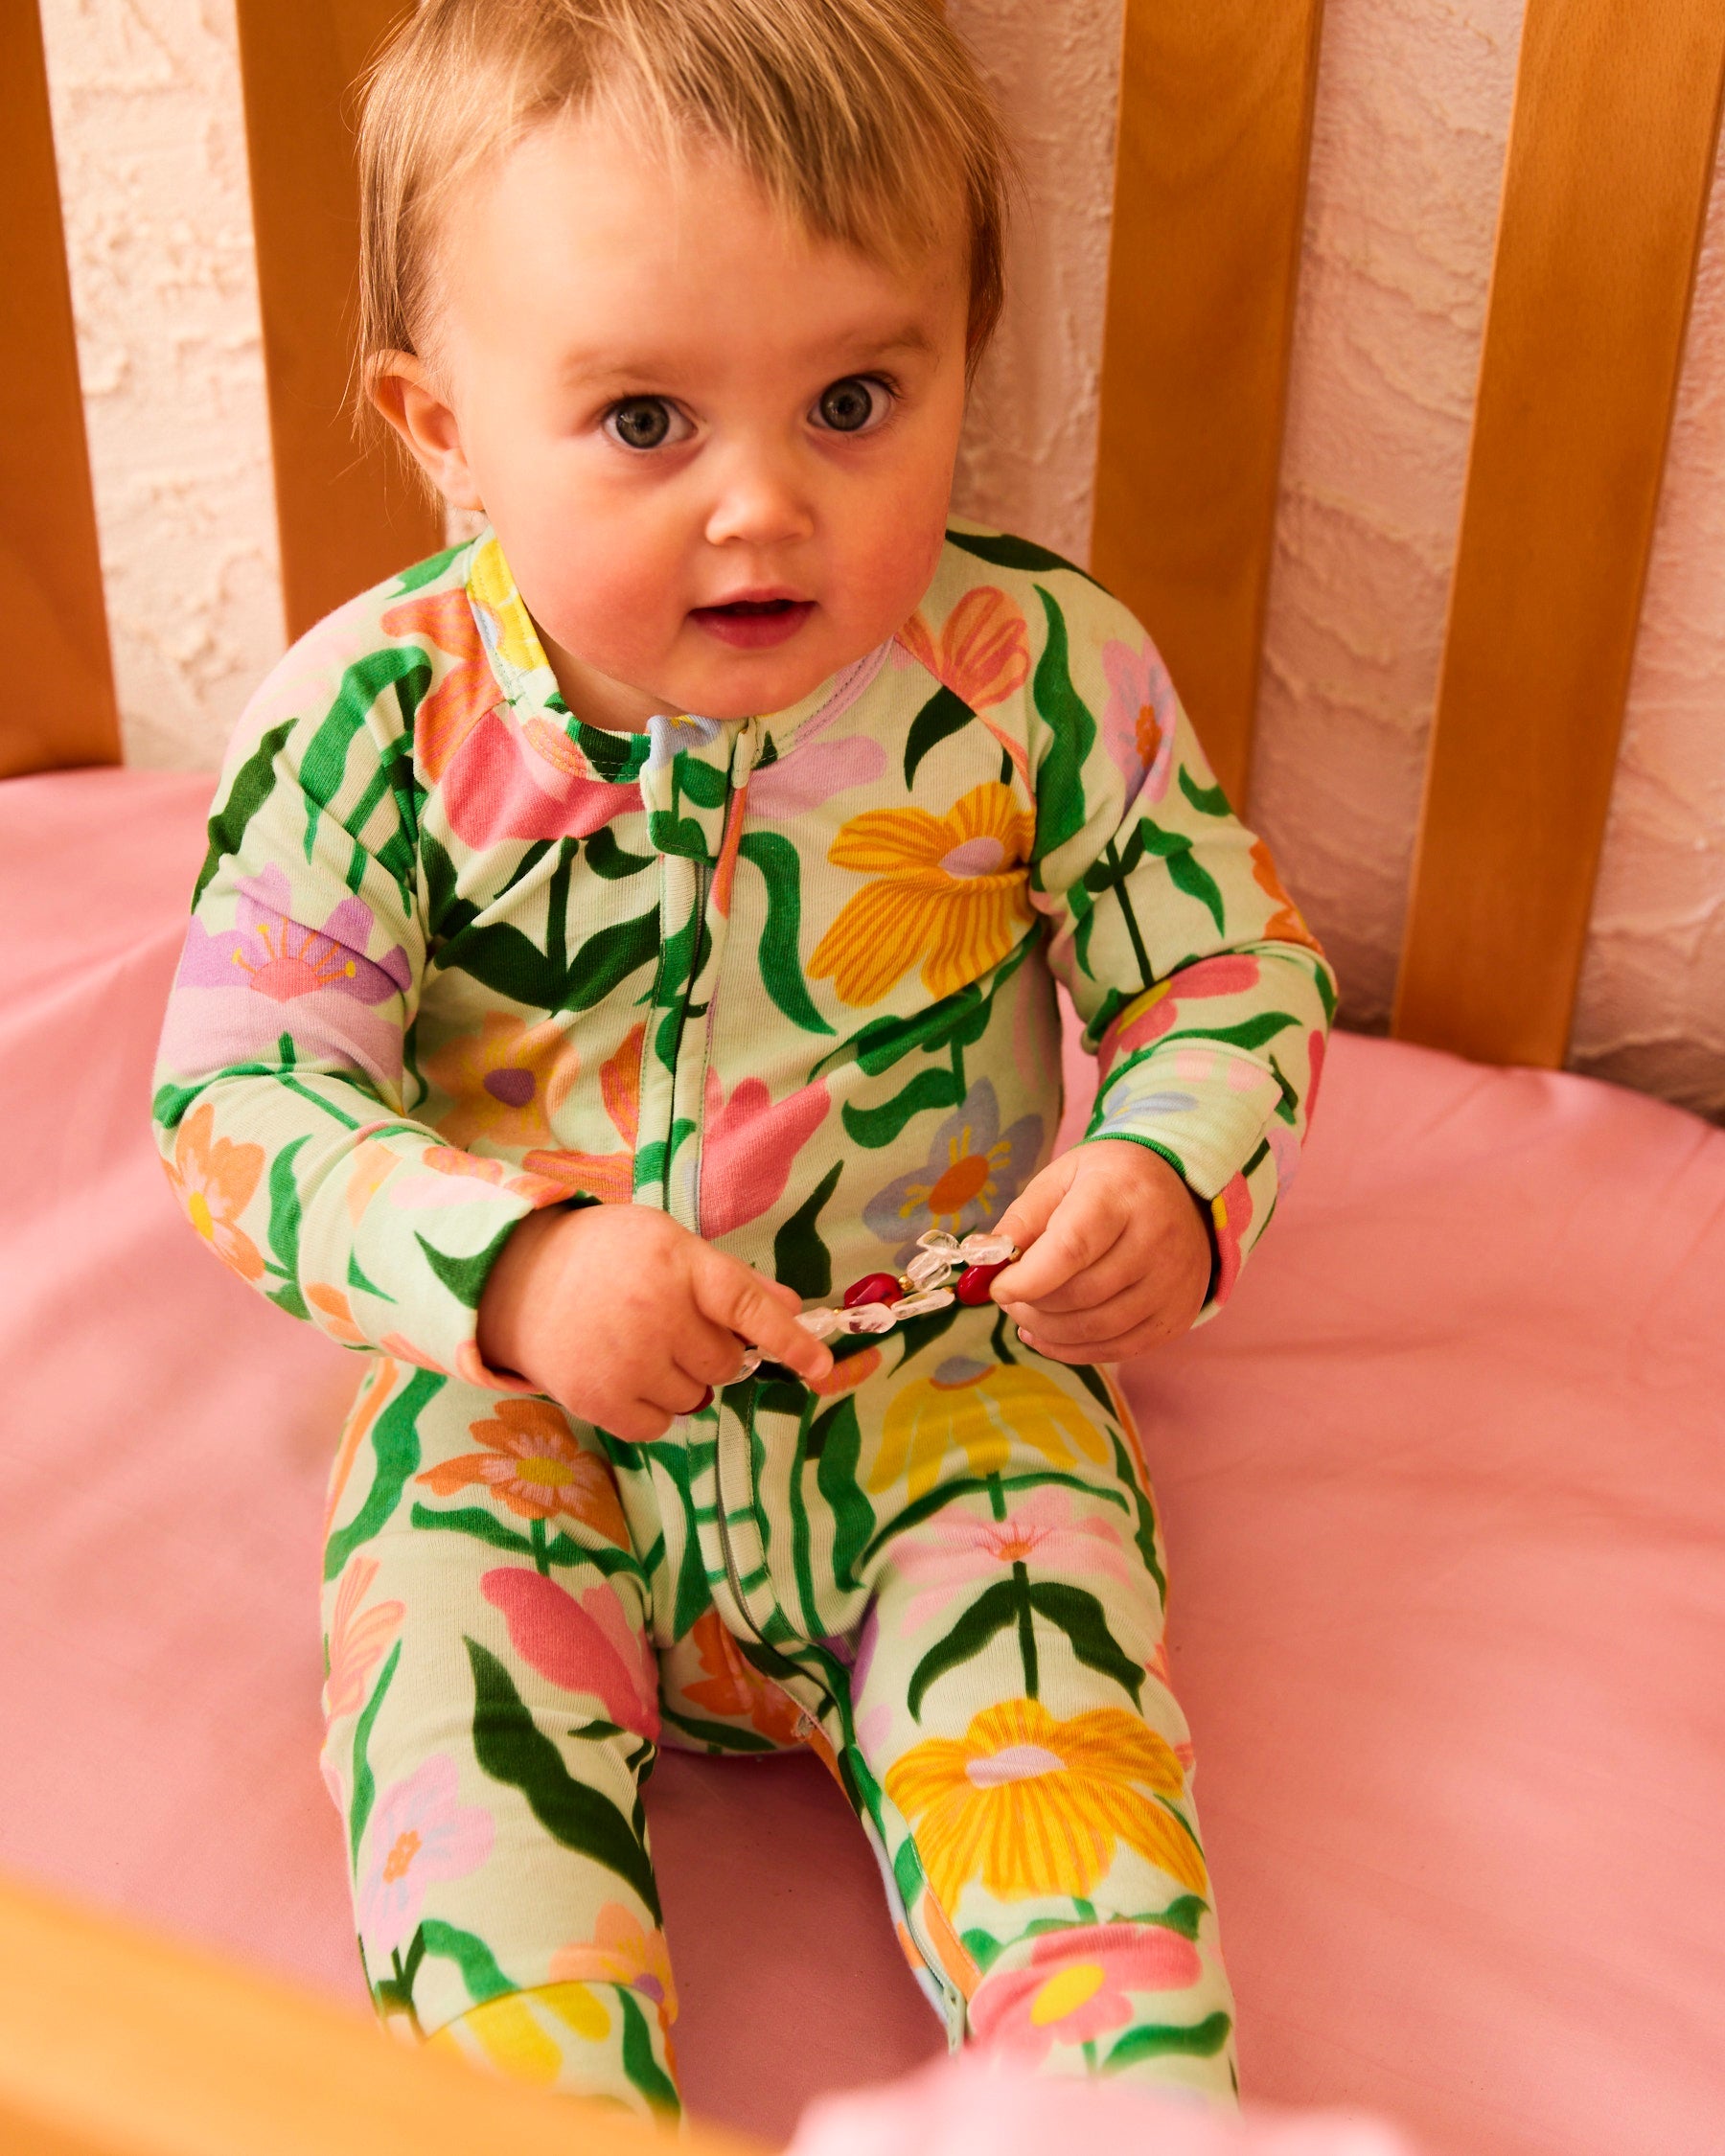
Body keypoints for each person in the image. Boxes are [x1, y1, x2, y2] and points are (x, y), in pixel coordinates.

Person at [152, 0, 1332, 2120]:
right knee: (466, 1840)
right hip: (511, 1426)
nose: (765, 506)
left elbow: (1220, 968)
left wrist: (1169, 1164)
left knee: (1087, 1859)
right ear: (445, 422)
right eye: (642, 424)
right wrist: (511, 1273)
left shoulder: (1043, 680)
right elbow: (241, 1105)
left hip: (945, 1396)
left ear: (964, 355)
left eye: (858, 398)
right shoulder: (372, 728)